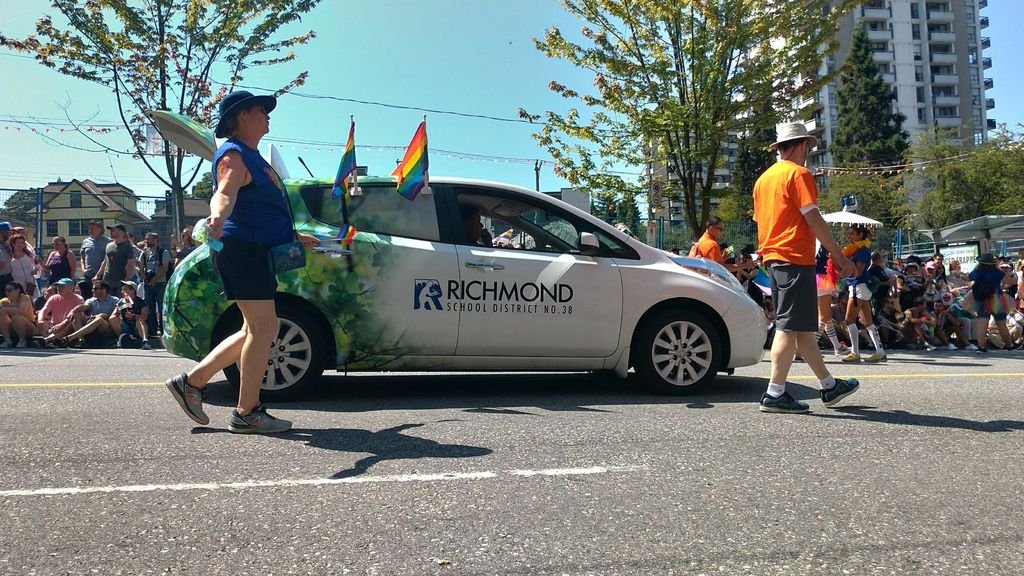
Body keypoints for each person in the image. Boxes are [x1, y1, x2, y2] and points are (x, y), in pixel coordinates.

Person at [164, 90, 319, 434]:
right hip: (242, 249)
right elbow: (225, 191)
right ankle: (247, 412)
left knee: (255, 329)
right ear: (242, 116)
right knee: (264, 328)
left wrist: (292, 238)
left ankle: (192, 382)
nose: (268, 115)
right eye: (261, 109)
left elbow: (260, 210)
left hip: (254, 249)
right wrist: (216, 216)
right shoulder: (234, 154)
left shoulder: (254, 156)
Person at [752, 122, 859, 414]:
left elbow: (762, 222)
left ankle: (828, 386)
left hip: (774, 259)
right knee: (789, 327)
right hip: (794, 259)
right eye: (808, 147)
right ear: (801, 145)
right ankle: (775, 393)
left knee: (800, 329)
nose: (808, 152)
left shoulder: (764, 180)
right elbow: (813, 219)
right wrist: (839, 257)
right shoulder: (798, 174)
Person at [840, 226, 886, 363]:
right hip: (860, 287)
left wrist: (845, 265)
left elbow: (858, 272)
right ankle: (880, 351)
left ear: (861, 235)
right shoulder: (858, 249)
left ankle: (855, 352)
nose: (850, 236)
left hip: (857, 287)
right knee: (867, 322)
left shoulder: (862, 251)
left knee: (849, 320)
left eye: (853, 233)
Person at [967, 252, 1018, 353]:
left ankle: (981, 347)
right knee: (1001, 323)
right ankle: (1009, 345)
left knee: (982, 322)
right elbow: (1012, 282)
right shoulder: (998, 273)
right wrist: (1014, 274)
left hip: (981, 299)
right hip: (996, 299)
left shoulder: (977, 272)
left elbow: (968, 278)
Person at [60, 281, 122, 348]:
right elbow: (84, 306)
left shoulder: (114, 300)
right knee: (76, 314)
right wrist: (73, 311)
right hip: (91, 323)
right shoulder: (91, 300)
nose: (92, 291)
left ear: (104, 290)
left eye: (95, 289)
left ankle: (70, 337)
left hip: (106, 326)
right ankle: (81, 341)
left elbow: (114, 316)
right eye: (93, 289)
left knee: (99, 319)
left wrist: (101, 315)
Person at [689, 216, 758, 275]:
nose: (722, 232)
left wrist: (722, 259)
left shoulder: (702, 240)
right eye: (720, 229)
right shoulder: (711, 244)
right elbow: (721, 268)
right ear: (711, 228)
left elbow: (712, 264)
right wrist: (745, 265)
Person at [813, 242, 848, 357]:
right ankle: (810, 348)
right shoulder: (825, 243)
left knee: (827, 318)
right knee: (823, 318)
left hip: (818, 278)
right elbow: (836, 261)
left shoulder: (815, 243)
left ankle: (837, 346)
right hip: (824, 279)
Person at [36, 277, 85, 346]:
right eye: (58, 286)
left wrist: (62, 324)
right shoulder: (54, 297)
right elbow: (44, 310)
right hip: (54, 325)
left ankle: (48, 340)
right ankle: (49, 340)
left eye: (62, 287)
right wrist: (40, 320)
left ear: (71, 288)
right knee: (40, 320)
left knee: (73, 321)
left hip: (68, 324)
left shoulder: (78, 299)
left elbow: (75, 315)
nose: (59, 288)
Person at [140, 232, 171, 336]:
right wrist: (147, 279)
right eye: (146, 239)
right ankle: (152, 331)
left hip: (160, 284)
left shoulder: (163, 252)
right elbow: (141, 269)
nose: (147, 241)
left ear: (156, 240)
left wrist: (154, 280)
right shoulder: (144, 253)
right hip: (148, 285)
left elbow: (165, 268)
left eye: (149, 239)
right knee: (149, 308)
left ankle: (163, 331)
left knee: (162, 308)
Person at [97, 224, 136, 297]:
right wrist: (98, 275)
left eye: (113, 230)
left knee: (122, 303)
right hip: (107, 280)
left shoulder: (127, 247)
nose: (111, 232)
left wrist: (126, 279)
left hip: (121, 280)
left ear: (121, 233)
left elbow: (131, 265)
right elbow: (105, 261)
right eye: (110, 230)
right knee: (107, 301)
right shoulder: (108, 245)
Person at [79, 220, 110, 300]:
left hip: (102, 276)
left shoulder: (107, 241)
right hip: (88, 275)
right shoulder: (86, 241)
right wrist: (83, 269)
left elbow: (107, 259)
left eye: (92, 228)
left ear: (100, 229)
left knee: (101, 297)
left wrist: (99, 274)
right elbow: (82, 257)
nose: (90, 230)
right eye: (89, 228)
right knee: (87, 297)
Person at [115, 280, 151, 350]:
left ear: (132, 291)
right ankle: (120, 339)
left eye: (124, 289)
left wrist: (133, 316)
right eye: (122, 290)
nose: (122, 292)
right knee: (113, 319)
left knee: (140, 321)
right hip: (125, 325)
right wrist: (119, 310)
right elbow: (116, 314)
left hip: (136, 327)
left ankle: (145, 341)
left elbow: (144, 317)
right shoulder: (122, 301)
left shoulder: (141, 302)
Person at [1, 281, 36, 348]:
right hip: (13, 328)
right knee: (1, 314)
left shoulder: (25, 298)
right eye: (6, 290)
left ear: (17, 290)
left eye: (9, 290)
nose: (7, 292)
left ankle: (22, 340)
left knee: (16, 317)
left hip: (29, 328)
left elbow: (21, 311)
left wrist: (5, 309)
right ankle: (7, 340)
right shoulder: (4, 301)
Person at [8, 233, 39, 300]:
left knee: (30, 302)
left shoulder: (29, 254)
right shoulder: (9, 256)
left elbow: (36, 265)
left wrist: (35, 270)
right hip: (16, 284)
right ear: (13, 243)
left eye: (22, 242)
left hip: (30, 283)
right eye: (18, 242)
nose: (20, 244)